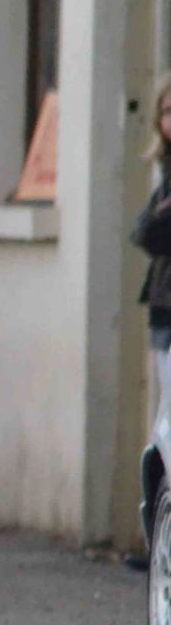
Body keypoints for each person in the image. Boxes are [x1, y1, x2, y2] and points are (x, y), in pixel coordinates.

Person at [129, 76, 171, 451]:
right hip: (164, 305)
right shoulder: (165, 172)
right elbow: (142, 231)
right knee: (167, 412)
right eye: (168, 111)